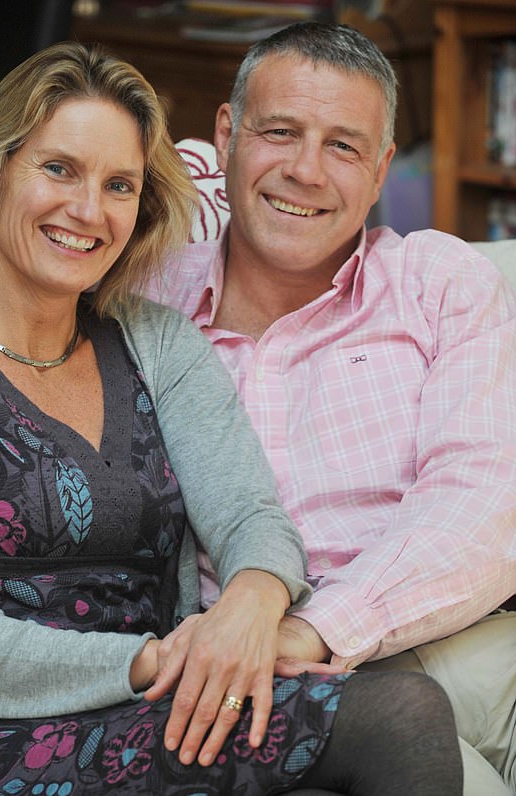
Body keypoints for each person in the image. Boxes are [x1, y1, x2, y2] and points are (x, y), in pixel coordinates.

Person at [0, 42, 463, 795]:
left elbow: (252, 515)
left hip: (155, 712)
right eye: (59, 169)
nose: (88, 211)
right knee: (398, 719)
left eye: (118, 185)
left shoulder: (158, 342)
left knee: (366, 743)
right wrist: (159, 662)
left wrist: (253, 600)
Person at [145, 21, 516, 796]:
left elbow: (485, 501)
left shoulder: (436, 285)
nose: (306, 171)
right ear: (226, 136)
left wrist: (309, 629)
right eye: (279, 132)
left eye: (343, 146)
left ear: (381, 170)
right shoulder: (149, 299)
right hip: (224, 669)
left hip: (453, 645)